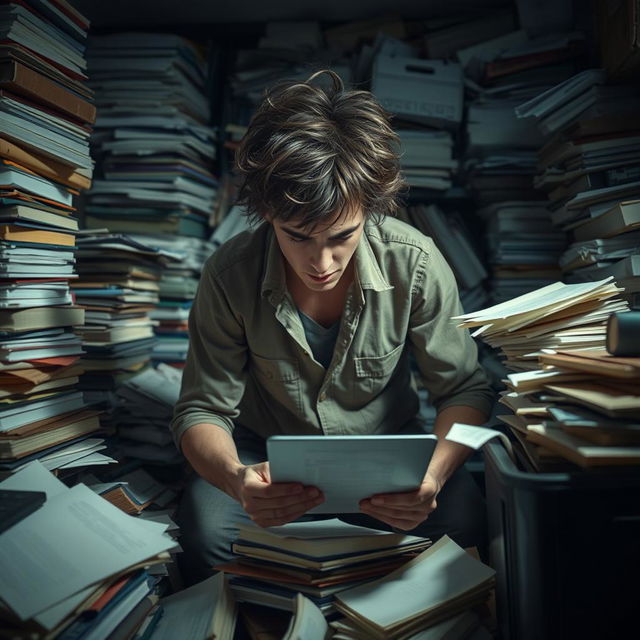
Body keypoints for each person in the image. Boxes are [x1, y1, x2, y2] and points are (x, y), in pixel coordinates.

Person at [171, 70, 495, 585]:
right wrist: (238, 480)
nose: (321, 261)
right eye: (297, 236)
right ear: (265, 214)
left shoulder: (415, 261)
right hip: (268, 463)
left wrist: (432, 477)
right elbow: (201, 408)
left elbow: (467, 390)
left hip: (392, 463)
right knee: (204, 531)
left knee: (469, 522)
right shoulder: (230, 273)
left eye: (342, 235)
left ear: (370, 209)